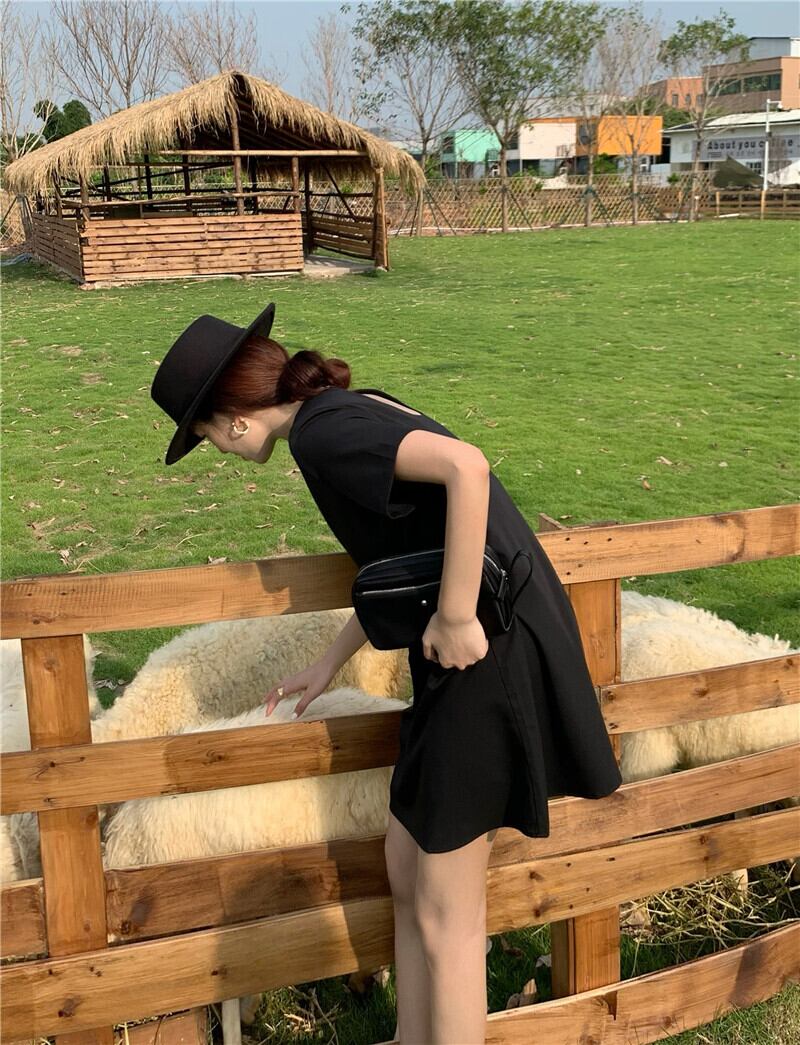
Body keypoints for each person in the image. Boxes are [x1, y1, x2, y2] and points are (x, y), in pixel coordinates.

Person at [150, 302, 623, 1045]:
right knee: (406, 861)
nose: (216, 449)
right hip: (463, 653)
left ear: (232, 419)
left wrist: (458, 615)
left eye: (204, 436)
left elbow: (468, 467)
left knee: (447, 908)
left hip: (484, 650)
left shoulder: (326, 433)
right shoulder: (337, 413)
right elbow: (403, 562)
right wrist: (329, 661)